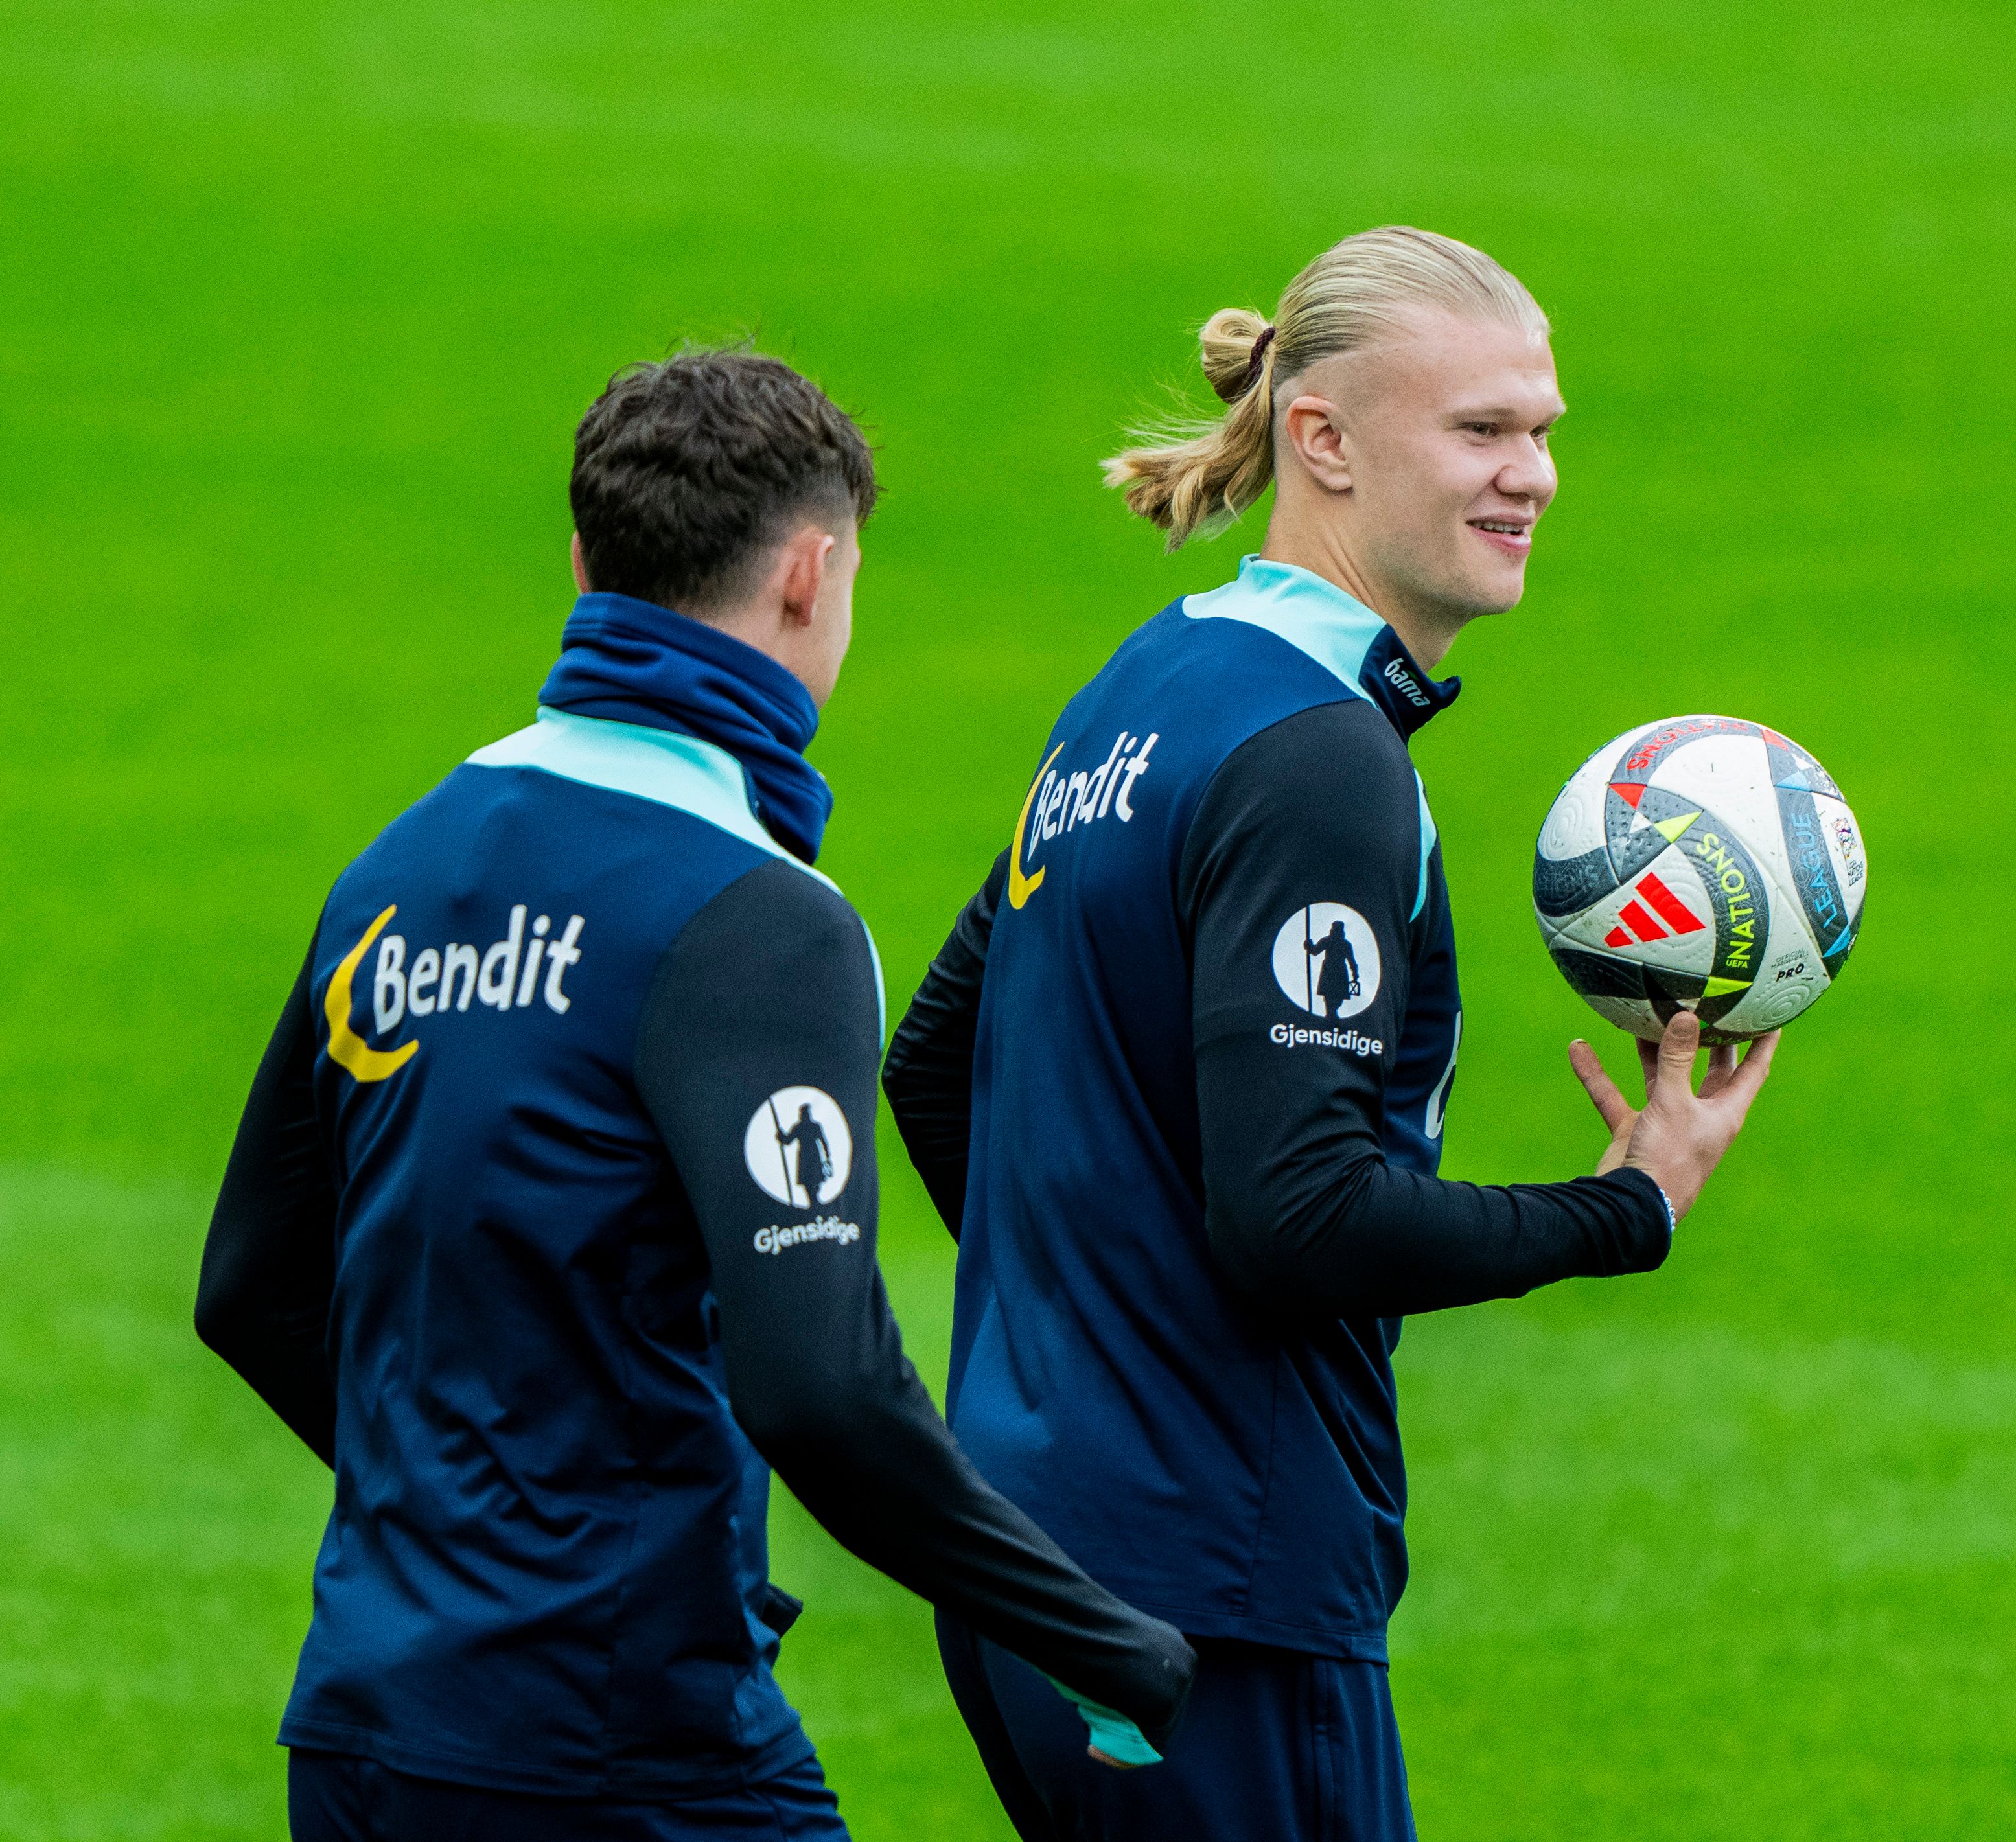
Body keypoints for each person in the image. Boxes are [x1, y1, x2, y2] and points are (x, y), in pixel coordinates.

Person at [195, 348, 1195, 1842]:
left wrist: (477, 1525)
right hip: (623, 1749)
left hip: (363, 1738)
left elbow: (253, 1287)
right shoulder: (754, 920)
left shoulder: (398, 871)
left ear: (585, 562)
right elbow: (823, 1388)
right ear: (809, 574)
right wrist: (1102, 1641)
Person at [881, 227, 1778, 1841]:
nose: (1532, 476)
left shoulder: (1149, 685)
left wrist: (1093, 1353)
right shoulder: (1318, 760)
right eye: (1481, 430)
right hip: (1214, 1603)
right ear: (1325, 440)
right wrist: (1626, 1208)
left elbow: (937, 1059)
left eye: (1543, 430)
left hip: (1040, 1563)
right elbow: (1298, 1218)